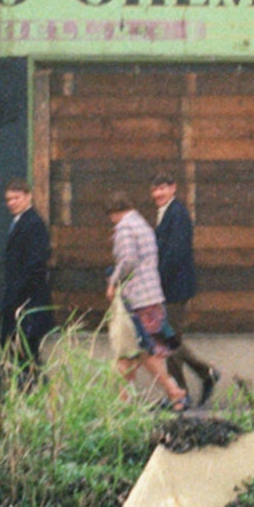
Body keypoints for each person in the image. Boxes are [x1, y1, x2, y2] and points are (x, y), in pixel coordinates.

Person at [108, 201, 192, 411]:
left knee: (129, 350)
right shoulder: (143, 225)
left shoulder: (125, 227)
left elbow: (128, 260)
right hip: (152, 296)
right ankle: (171, 393)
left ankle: (125, 402)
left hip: (136, 298)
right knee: (144, 350)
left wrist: (113, 281)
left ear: (113, 213)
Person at [148, 175, 219, 408]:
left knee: (169, 343)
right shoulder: (167, 213)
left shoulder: (177, 214)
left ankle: (183, 394)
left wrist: (157, 285)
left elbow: (174, 255)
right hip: (169, 289)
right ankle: (201, 377)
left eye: (163, 189)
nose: (158, 194)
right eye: (155, 190)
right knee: (171, 340)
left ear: (173, 188)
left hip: (174, 290)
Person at [0, 181, 53, 375]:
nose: (11, 203)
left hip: (28, 300)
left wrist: (17, 295)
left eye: (16, 198)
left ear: (28, 196)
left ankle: (33, 390)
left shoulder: (34, 224)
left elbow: (35, 265)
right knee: (16, 349)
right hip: (18, 296)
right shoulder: (19, 222)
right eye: (8, 199)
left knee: (27, 351)